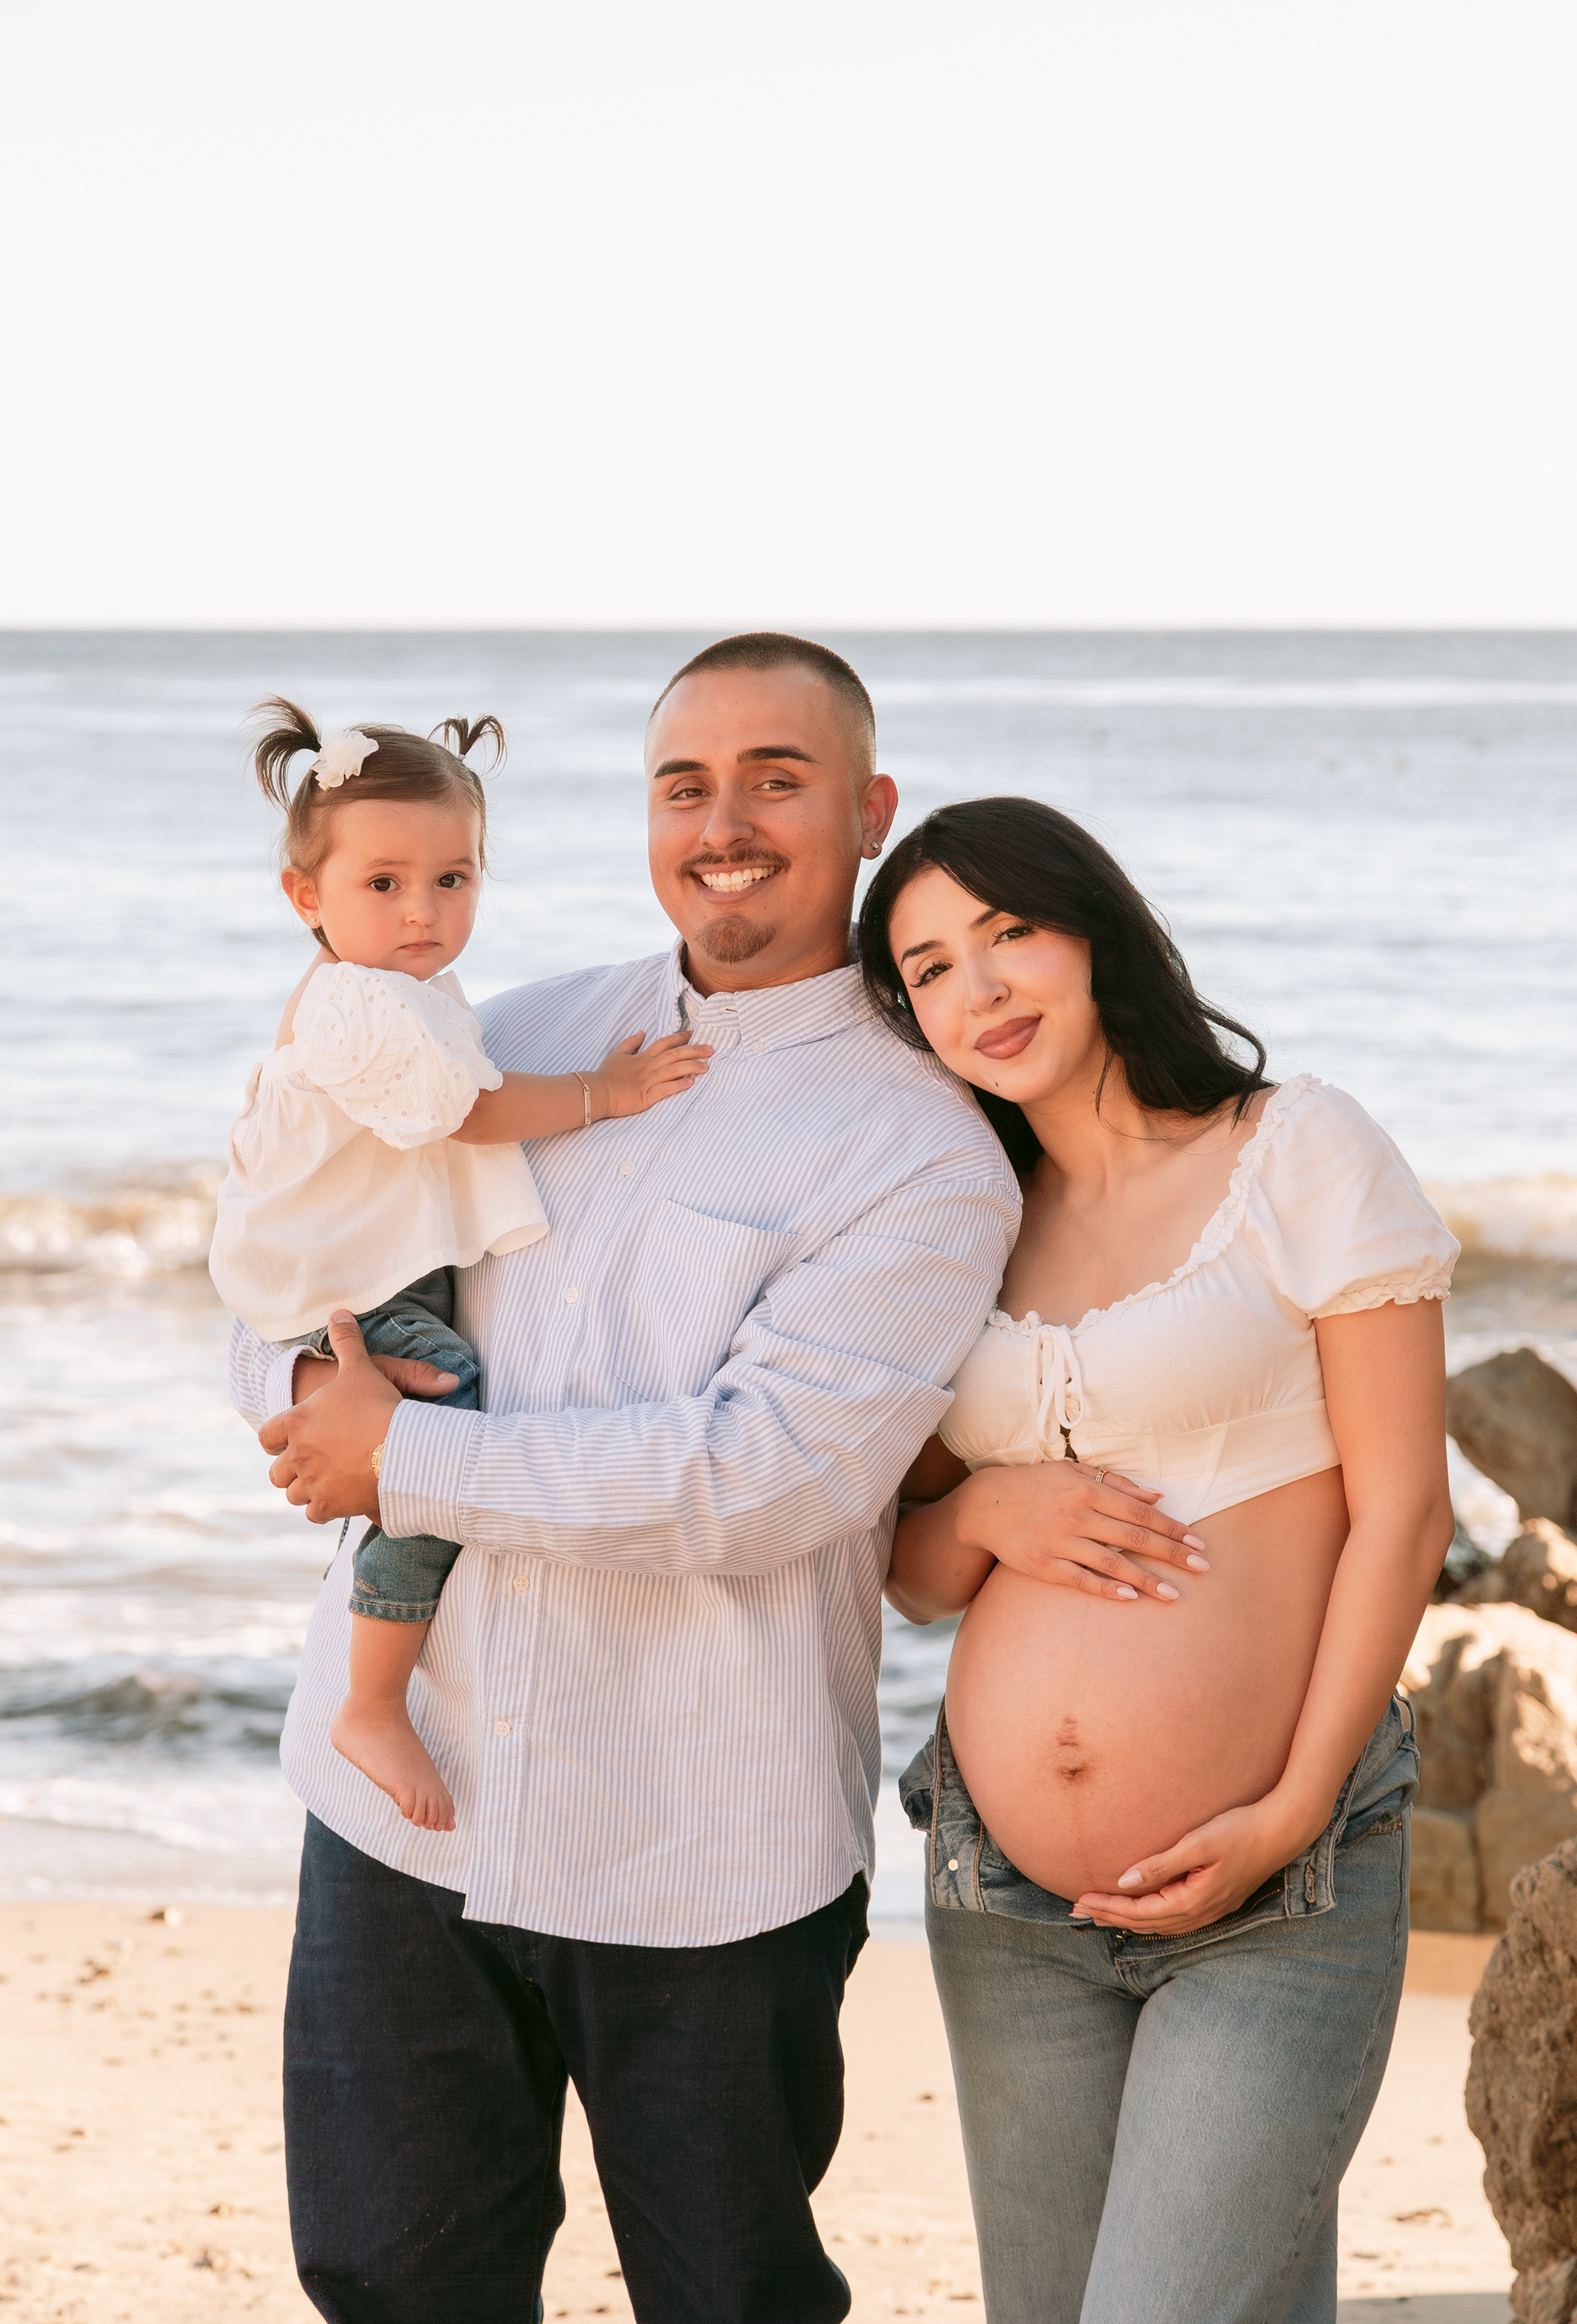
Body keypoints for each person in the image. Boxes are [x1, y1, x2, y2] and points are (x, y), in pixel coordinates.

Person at [230, 636, 1022, 2324]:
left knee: (727, 2294)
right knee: (389, 2282)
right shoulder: (507, 1032)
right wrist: (304, 1390)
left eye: (776, 780)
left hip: (698, 1849)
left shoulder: (925, 1150)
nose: (722, 823)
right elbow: (291, 1239)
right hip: (403, 1803)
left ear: (869, 809)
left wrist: (402, 1451)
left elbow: (758, 1482)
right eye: (684, 785)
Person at [858, 796, 1459, 2324]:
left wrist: (1289, 1810)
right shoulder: (958, 1221)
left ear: (1095, 930)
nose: (981, 989)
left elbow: (1405, 1511)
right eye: (930, 969)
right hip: (1003, 1899)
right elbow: (911, 1565)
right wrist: (983, 1515)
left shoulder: (1296, 1150)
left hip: (1279, 1874)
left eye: (1010, 931)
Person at [211, 701, 709, 1834]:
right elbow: (470, 1112)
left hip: (361, 1264)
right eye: (384, 883)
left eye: (454, 879)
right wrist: (602, 1092)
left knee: (425, 1424)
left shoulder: (396, 986)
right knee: (440, 1426)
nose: (423, 911)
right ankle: (372, 1699)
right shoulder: (360, 1001)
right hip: (351, 1284)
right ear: (305, 897)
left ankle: (377, 1677)